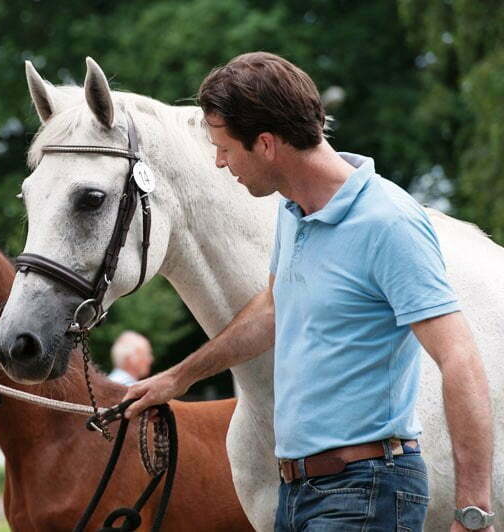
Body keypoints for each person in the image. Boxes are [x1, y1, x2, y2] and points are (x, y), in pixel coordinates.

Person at [122, 52, 494, 531]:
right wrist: (179, 377)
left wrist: (473, 508)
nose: (219, 162)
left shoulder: (389, 222)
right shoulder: (292, 212)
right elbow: (272, 311)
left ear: (266, 144)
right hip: (297, 492)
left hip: (367, 490)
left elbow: (460, 358)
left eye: (224, 148)